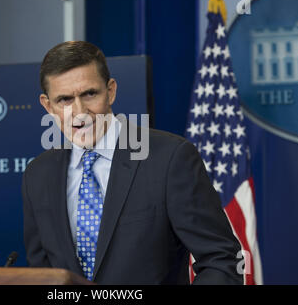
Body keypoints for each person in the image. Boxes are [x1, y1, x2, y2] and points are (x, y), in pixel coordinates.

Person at [22, 41, 243, 285]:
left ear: (111, 91)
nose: (80, 111)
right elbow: (41, 275)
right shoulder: (38, 175)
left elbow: (221, 260)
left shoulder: (169, 158)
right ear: (48, 105)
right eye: (64, 99)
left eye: (89, 94)